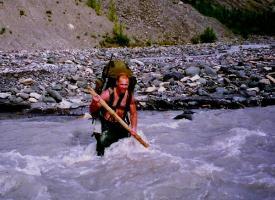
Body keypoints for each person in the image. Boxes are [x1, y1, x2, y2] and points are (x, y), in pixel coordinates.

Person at [89, 73, 137, 156]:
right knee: (102, 143)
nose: (124, 87)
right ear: (117, 83)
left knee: (126, 144)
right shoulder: (107, 94)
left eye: (126, 84)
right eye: (122, 84)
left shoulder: (129, 96)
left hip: (120, 123)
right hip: (106, 123)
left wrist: (134, 129)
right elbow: (92, 110)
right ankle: (99, 162)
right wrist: (94, 102)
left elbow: (133, 114)